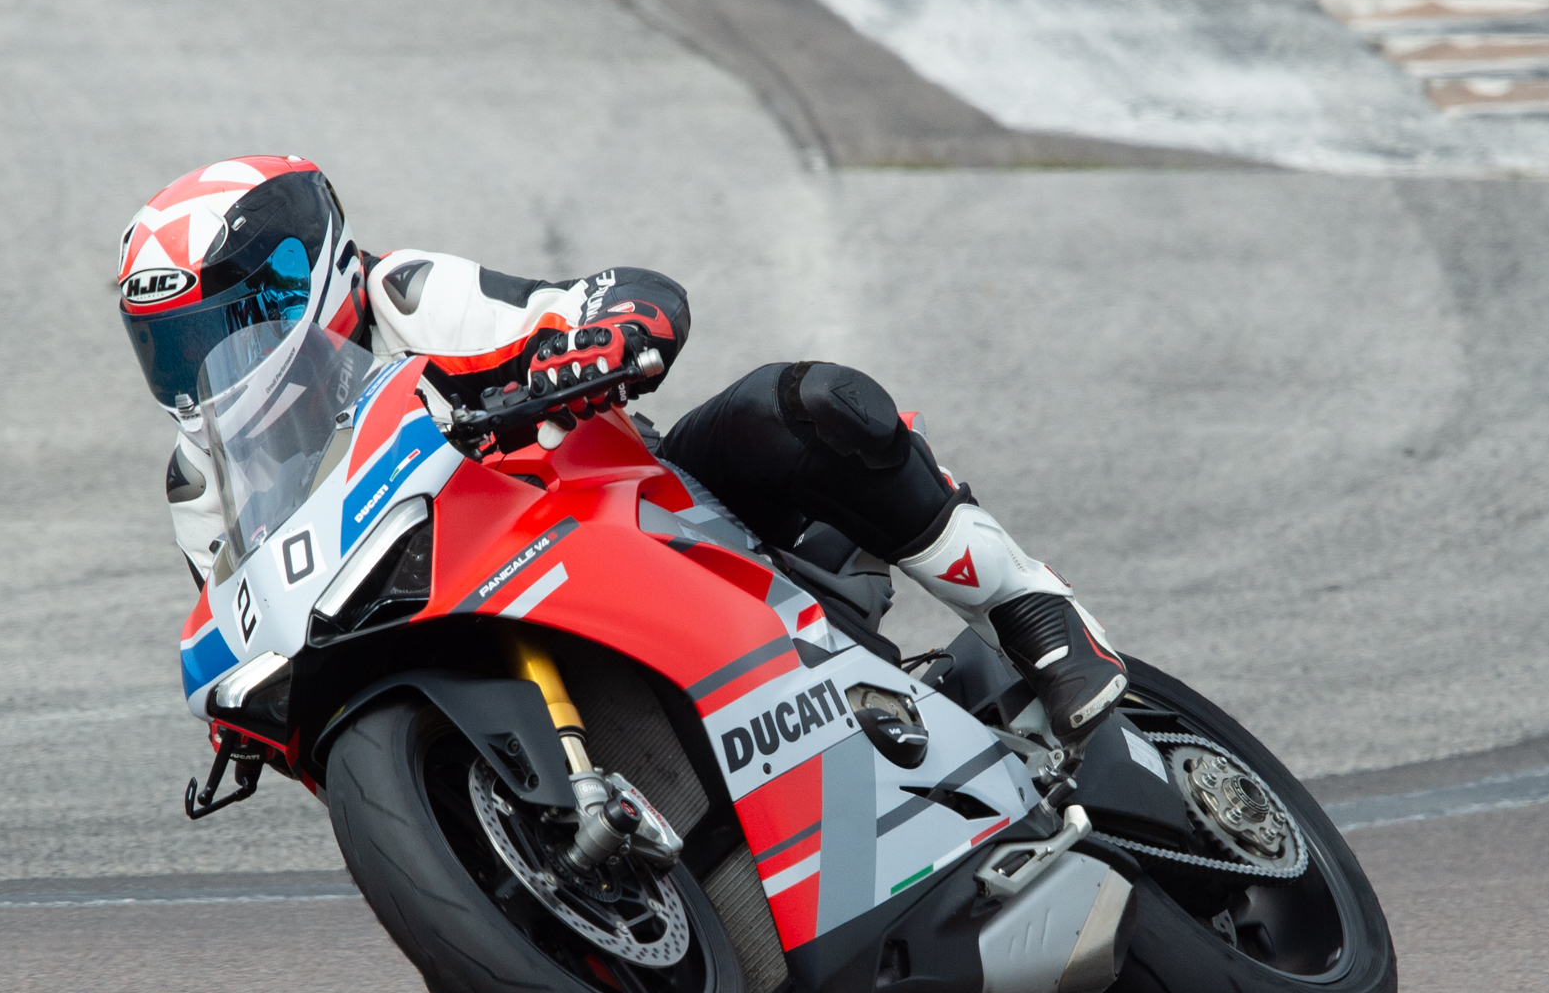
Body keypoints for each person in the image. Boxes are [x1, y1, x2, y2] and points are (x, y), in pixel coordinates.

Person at [117, 156, 1127, 743]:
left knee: (803, 405)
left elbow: (600, 299)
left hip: (630, 516)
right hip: (446, 631)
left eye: (224, 325)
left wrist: (603, 337)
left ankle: (1028, 608)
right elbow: (253, 619)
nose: (203, 361)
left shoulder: (405, 298)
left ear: (300, 280)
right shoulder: (201, 481)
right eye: (173, 343)